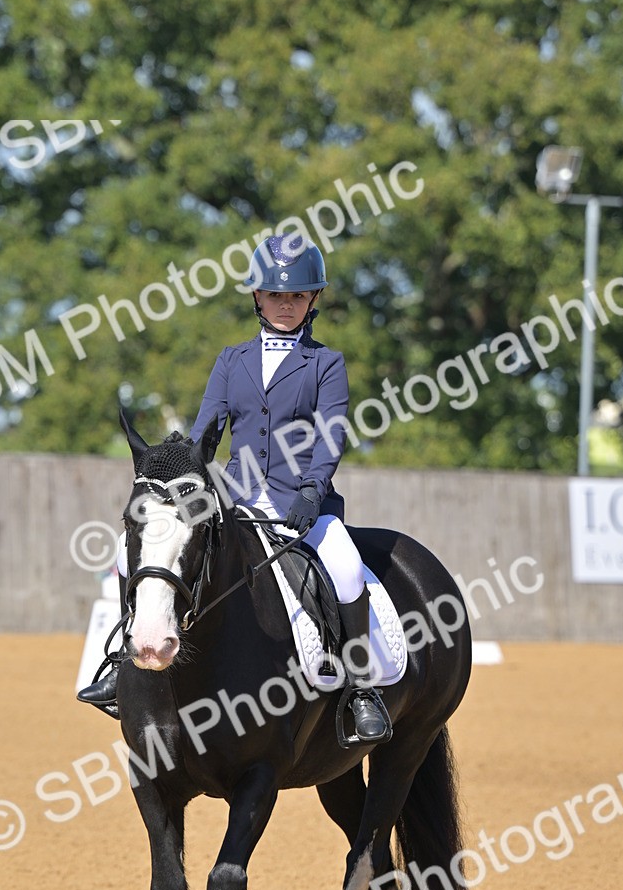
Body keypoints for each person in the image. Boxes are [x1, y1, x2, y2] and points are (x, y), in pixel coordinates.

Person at [78, 235, 391, 743]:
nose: (285, 304)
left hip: (301, 503)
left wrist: (313, 490)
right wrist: (179, 469)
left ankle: (360, 689)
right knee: (125, 550)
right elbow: (206, 431)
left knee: (346, 566)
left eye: (297, 295)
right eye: (275, 295)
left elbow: (331, 434)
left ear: (313, 299)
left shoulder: (326, 363)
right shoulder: (231, 360)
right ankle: (124, 664)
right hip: (234, 498)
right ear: (257, 297)